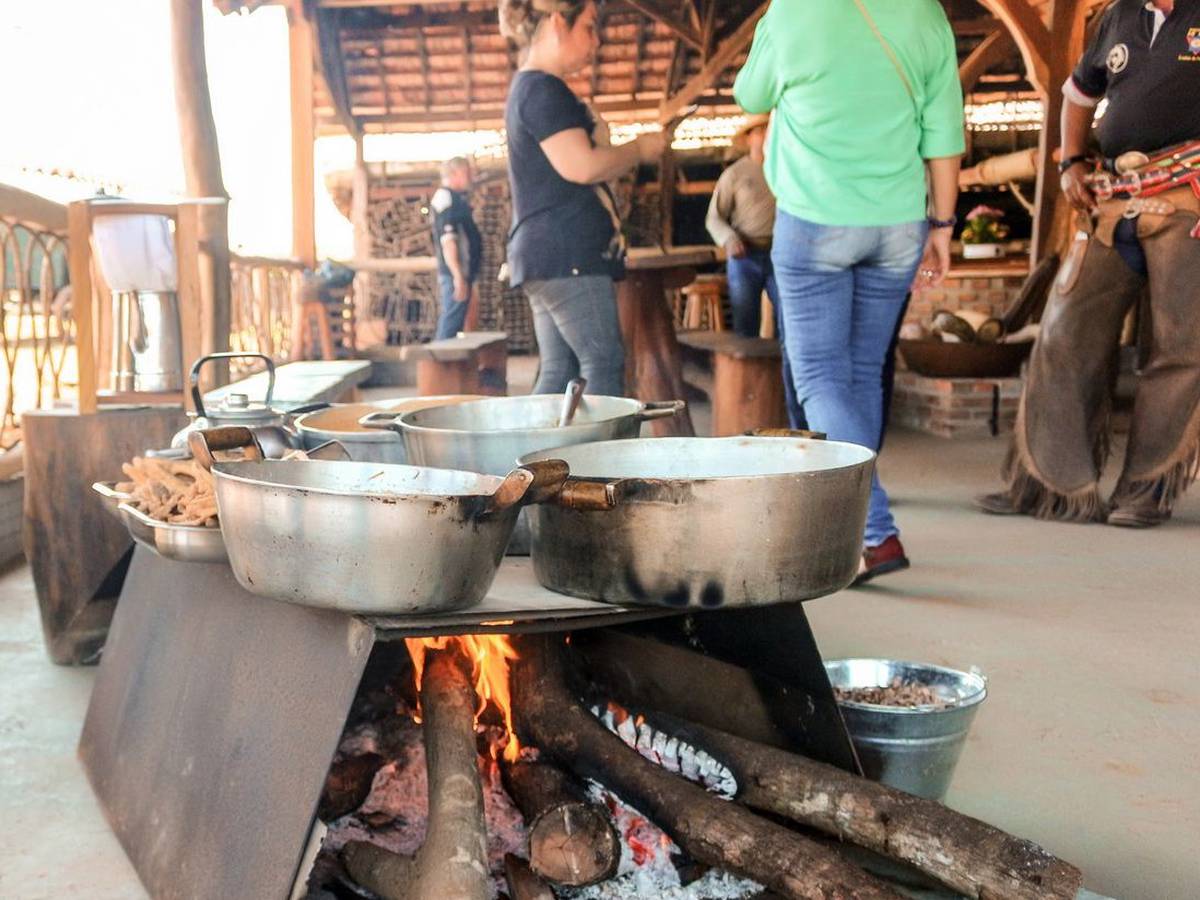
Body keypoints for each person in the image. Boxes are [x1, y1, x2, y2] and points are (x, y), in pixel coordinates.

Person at [734, 0, 964, 584]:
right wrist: (942, 226)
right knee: (861, 374)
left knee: (819, 379)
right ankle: (857, 531)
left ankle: (874, 532)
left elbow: (749, 96)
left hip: (815, 221)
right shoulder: (925, 14)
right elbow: (943, 132)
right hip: (899, 224)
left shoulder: (791, 13)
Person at [977, 0, 1200, 527]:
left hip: (1189, 199)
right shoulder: (1120, 17)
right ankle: (1051, 487)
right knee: (1062, 333)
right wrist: (1070, 161)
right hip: (1112, 198)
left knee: (1180, 347)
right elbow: (1078, 94)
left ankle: (1146, 490)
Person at [499, 0, 663, 396]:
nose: (597, 39)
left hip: (547, 255)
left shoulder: (528, 88)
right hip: (566, 253)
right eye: (589, 27)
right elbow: (582, 167)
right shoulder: (543, 89)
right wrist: (638, 150)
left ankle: (527, 459)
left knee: (560, 371)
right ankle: (601, 460)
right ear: (558, 23)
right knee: (602, 364)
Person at [706, 113, 806, 428]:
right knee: (746, 327)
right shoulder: (735, 174)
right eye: (759, 131)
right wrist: (730, 239)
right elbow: (714, 218)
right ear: (749, 137)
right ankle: (745, 406)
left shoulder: (790, 171)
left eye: (769, 129)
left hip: (782, 254)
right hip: (745, 254)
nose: (764, 135)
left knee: (789, 325)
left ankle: (783, 404)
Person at [430, 157, 483, 340]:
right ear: (455, 173)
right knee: (450, 325)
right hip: (455, 274)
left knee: (457, 322)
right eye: (467, 172)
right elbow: (448, 240)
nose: (471, 177)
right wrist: (458, 276)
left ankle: (450, 367)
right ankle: (439, 367)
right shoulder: (446, 198)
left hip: (463, 273)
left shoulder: (456, 198)